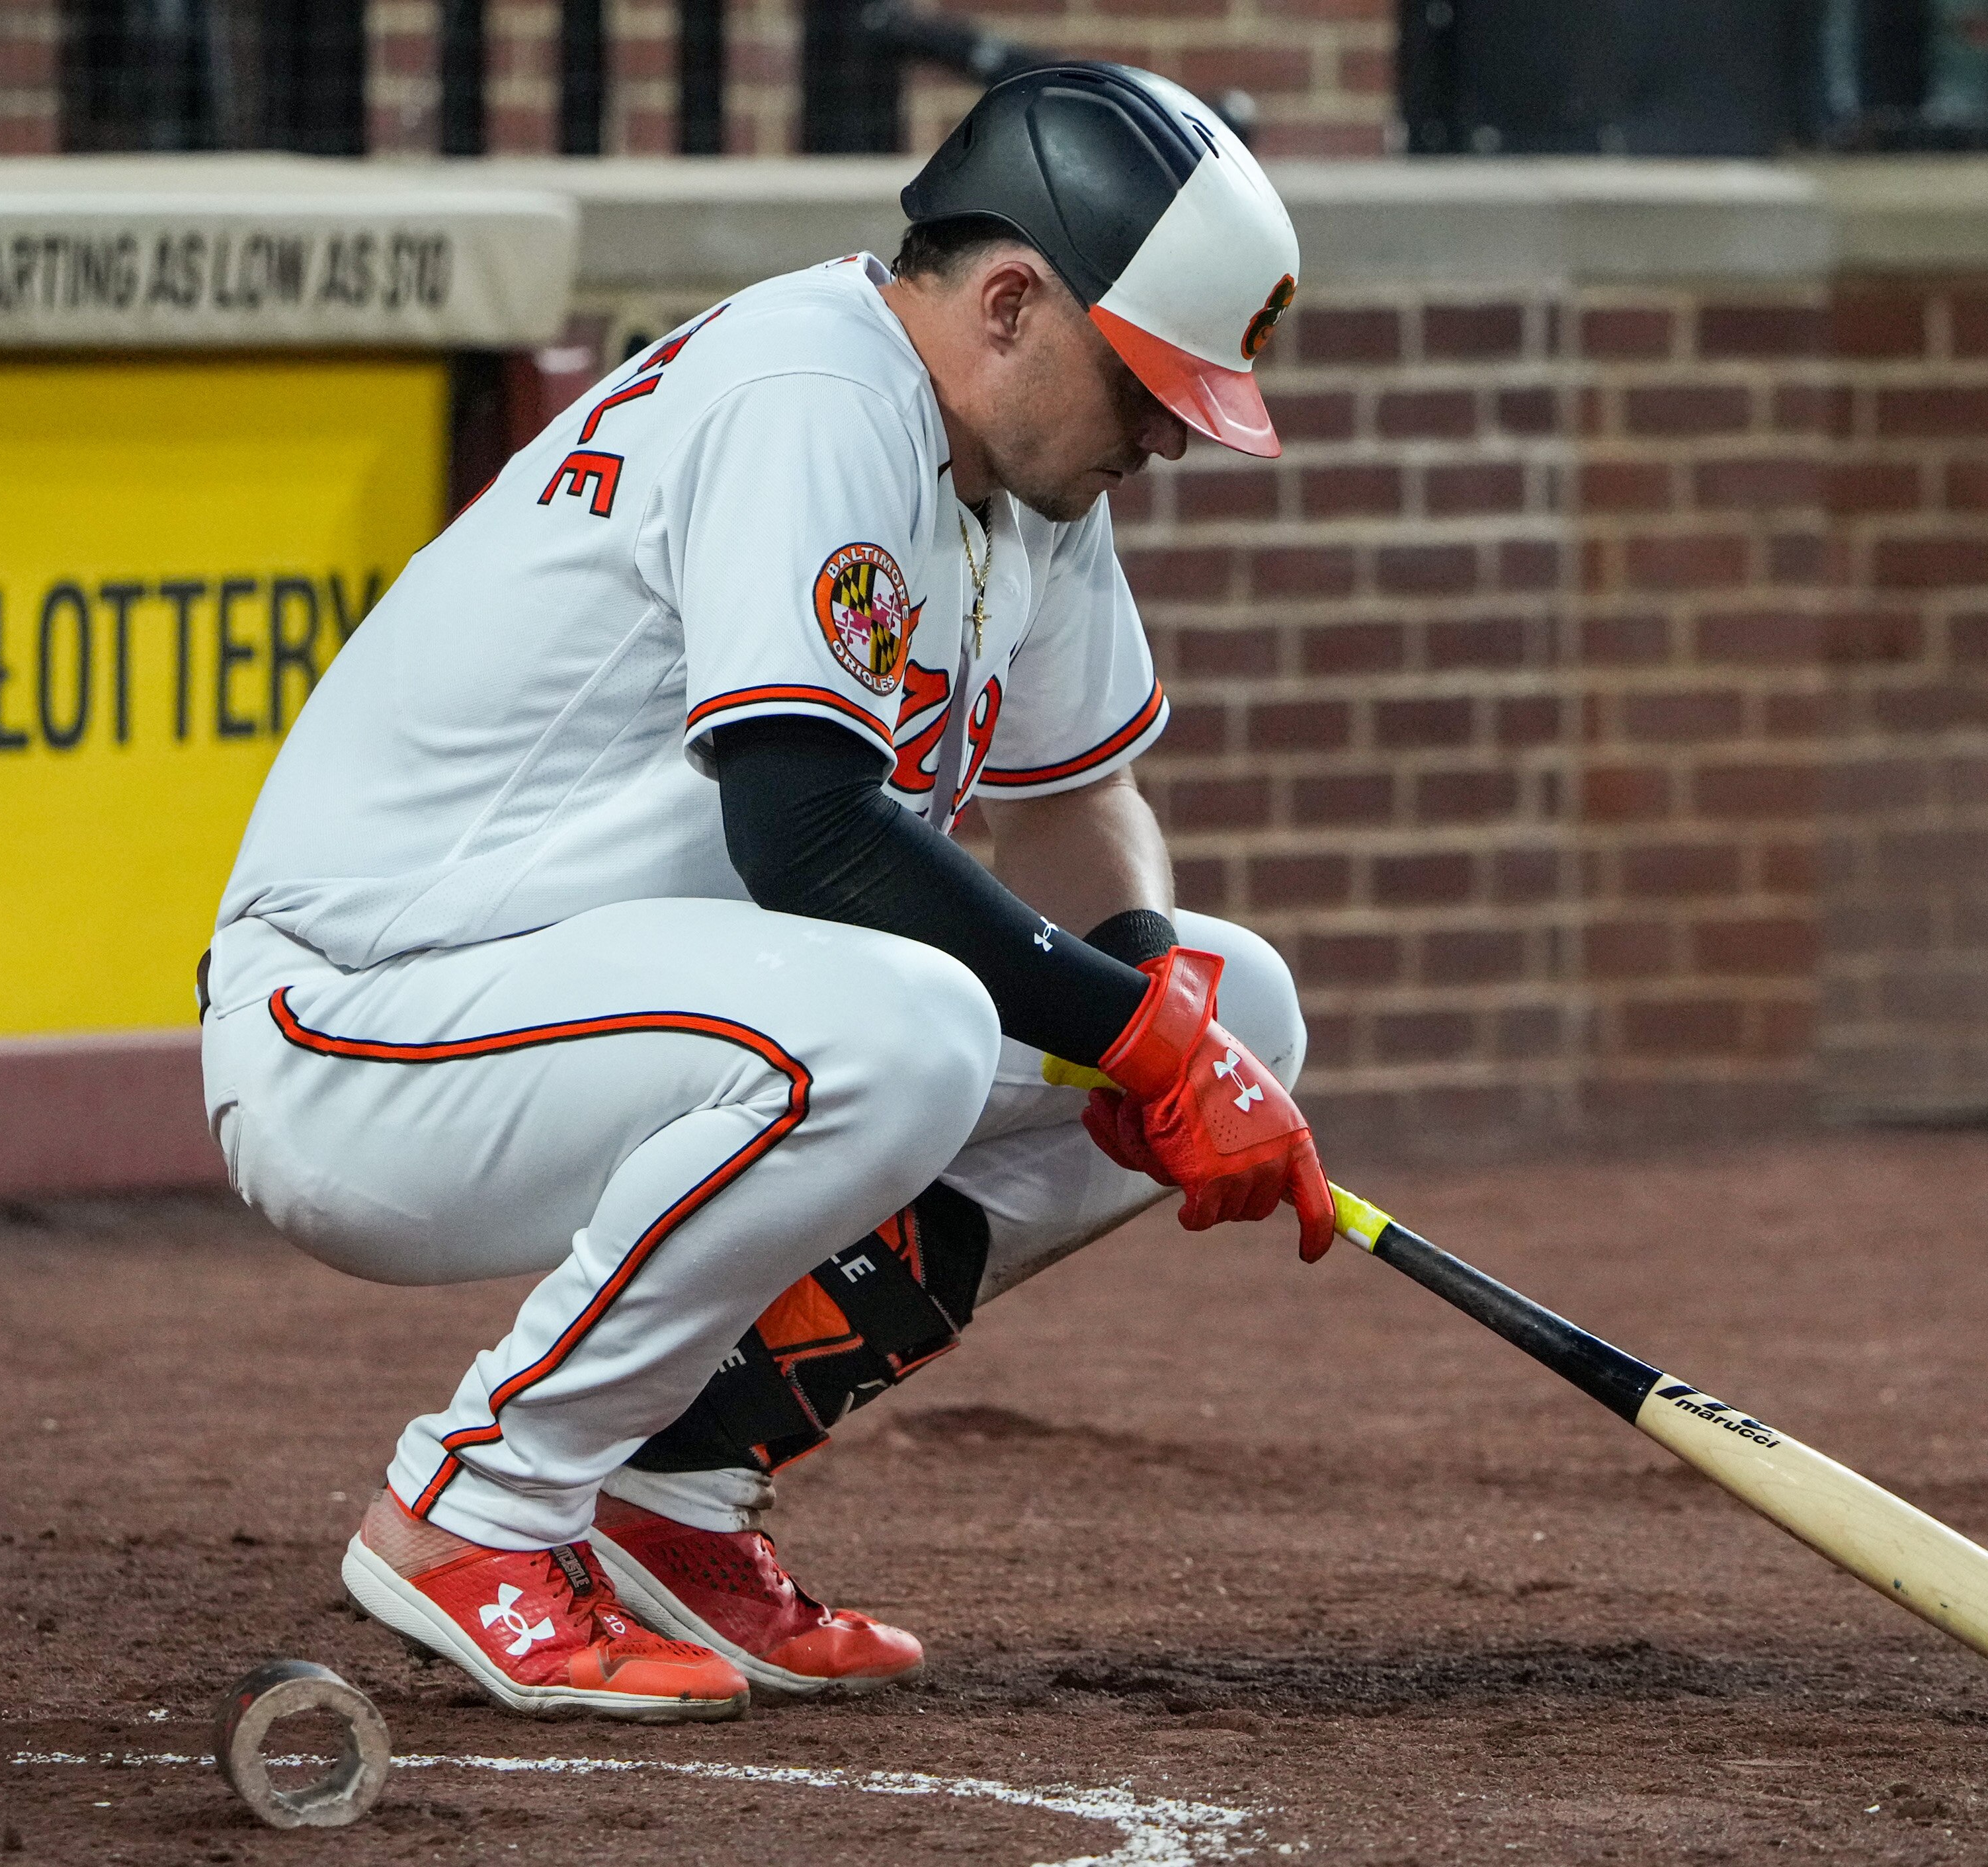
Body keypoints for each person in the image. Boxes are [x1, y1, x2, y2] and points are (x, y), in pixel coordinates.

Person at [201, 62, 1331, 1723]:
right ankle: (477, 1509)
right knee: (915, 1024)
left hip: (603, 1014)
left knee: (1238, 999)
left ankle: (676, 1478)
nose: (1166, 433)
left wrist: (1157, 999)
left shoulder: (1029, 476)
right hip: (369, 1025)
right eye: (1149, 384)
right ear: (1011, 300)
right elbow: (804, 834)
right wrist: (1139, 1049)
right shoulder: (810, 387)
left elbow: (1081, 800)